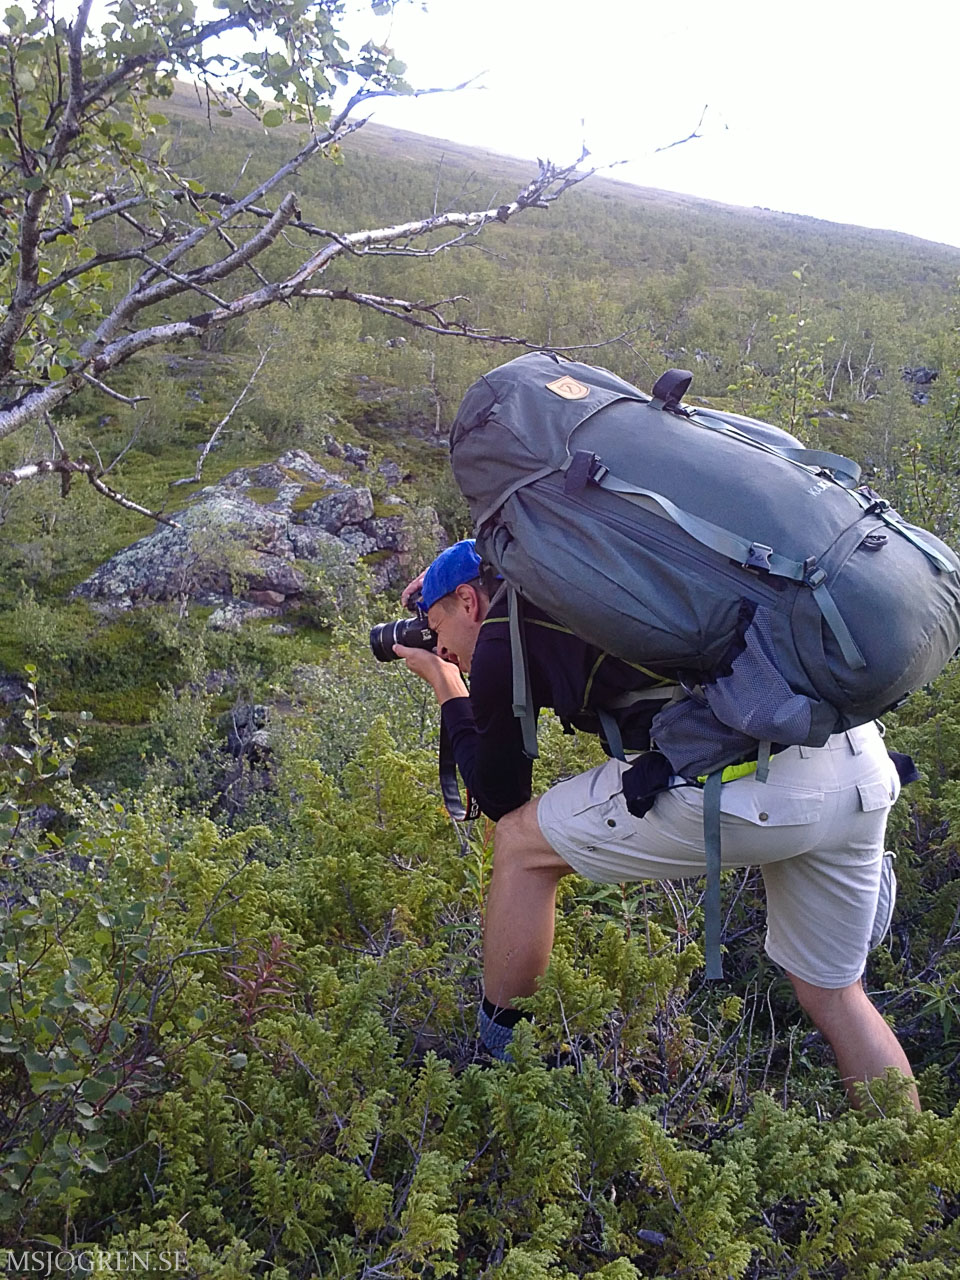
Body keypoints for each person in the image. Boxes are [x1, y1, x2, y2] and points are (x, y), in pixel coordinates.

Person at [395, 540, 918, 1108]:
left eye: (435, 626)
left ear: (469, 600)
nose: (438, 646)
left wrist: (448, 687)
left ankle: (501, 1058)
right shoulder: (589, 563)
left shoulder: (503, 631)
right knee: (839, 997)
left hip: (756, 781)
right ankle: (914, 1154)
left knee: (520, 844)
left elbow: (500, 797)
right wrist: (455, 573)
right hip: (850, 752)